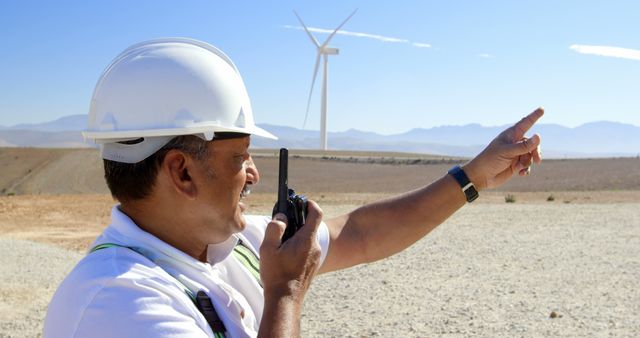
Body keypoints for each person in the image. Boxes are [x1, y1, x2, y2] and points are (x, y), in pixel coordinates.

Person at [43, 38, 543, 338]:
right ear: (183, 173)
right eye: (240, 157)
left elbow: (361, 233)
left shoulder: (222, 247)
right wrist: (284, 293)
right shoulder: (118, 303)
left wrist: (472, 177)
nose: (254, 174)